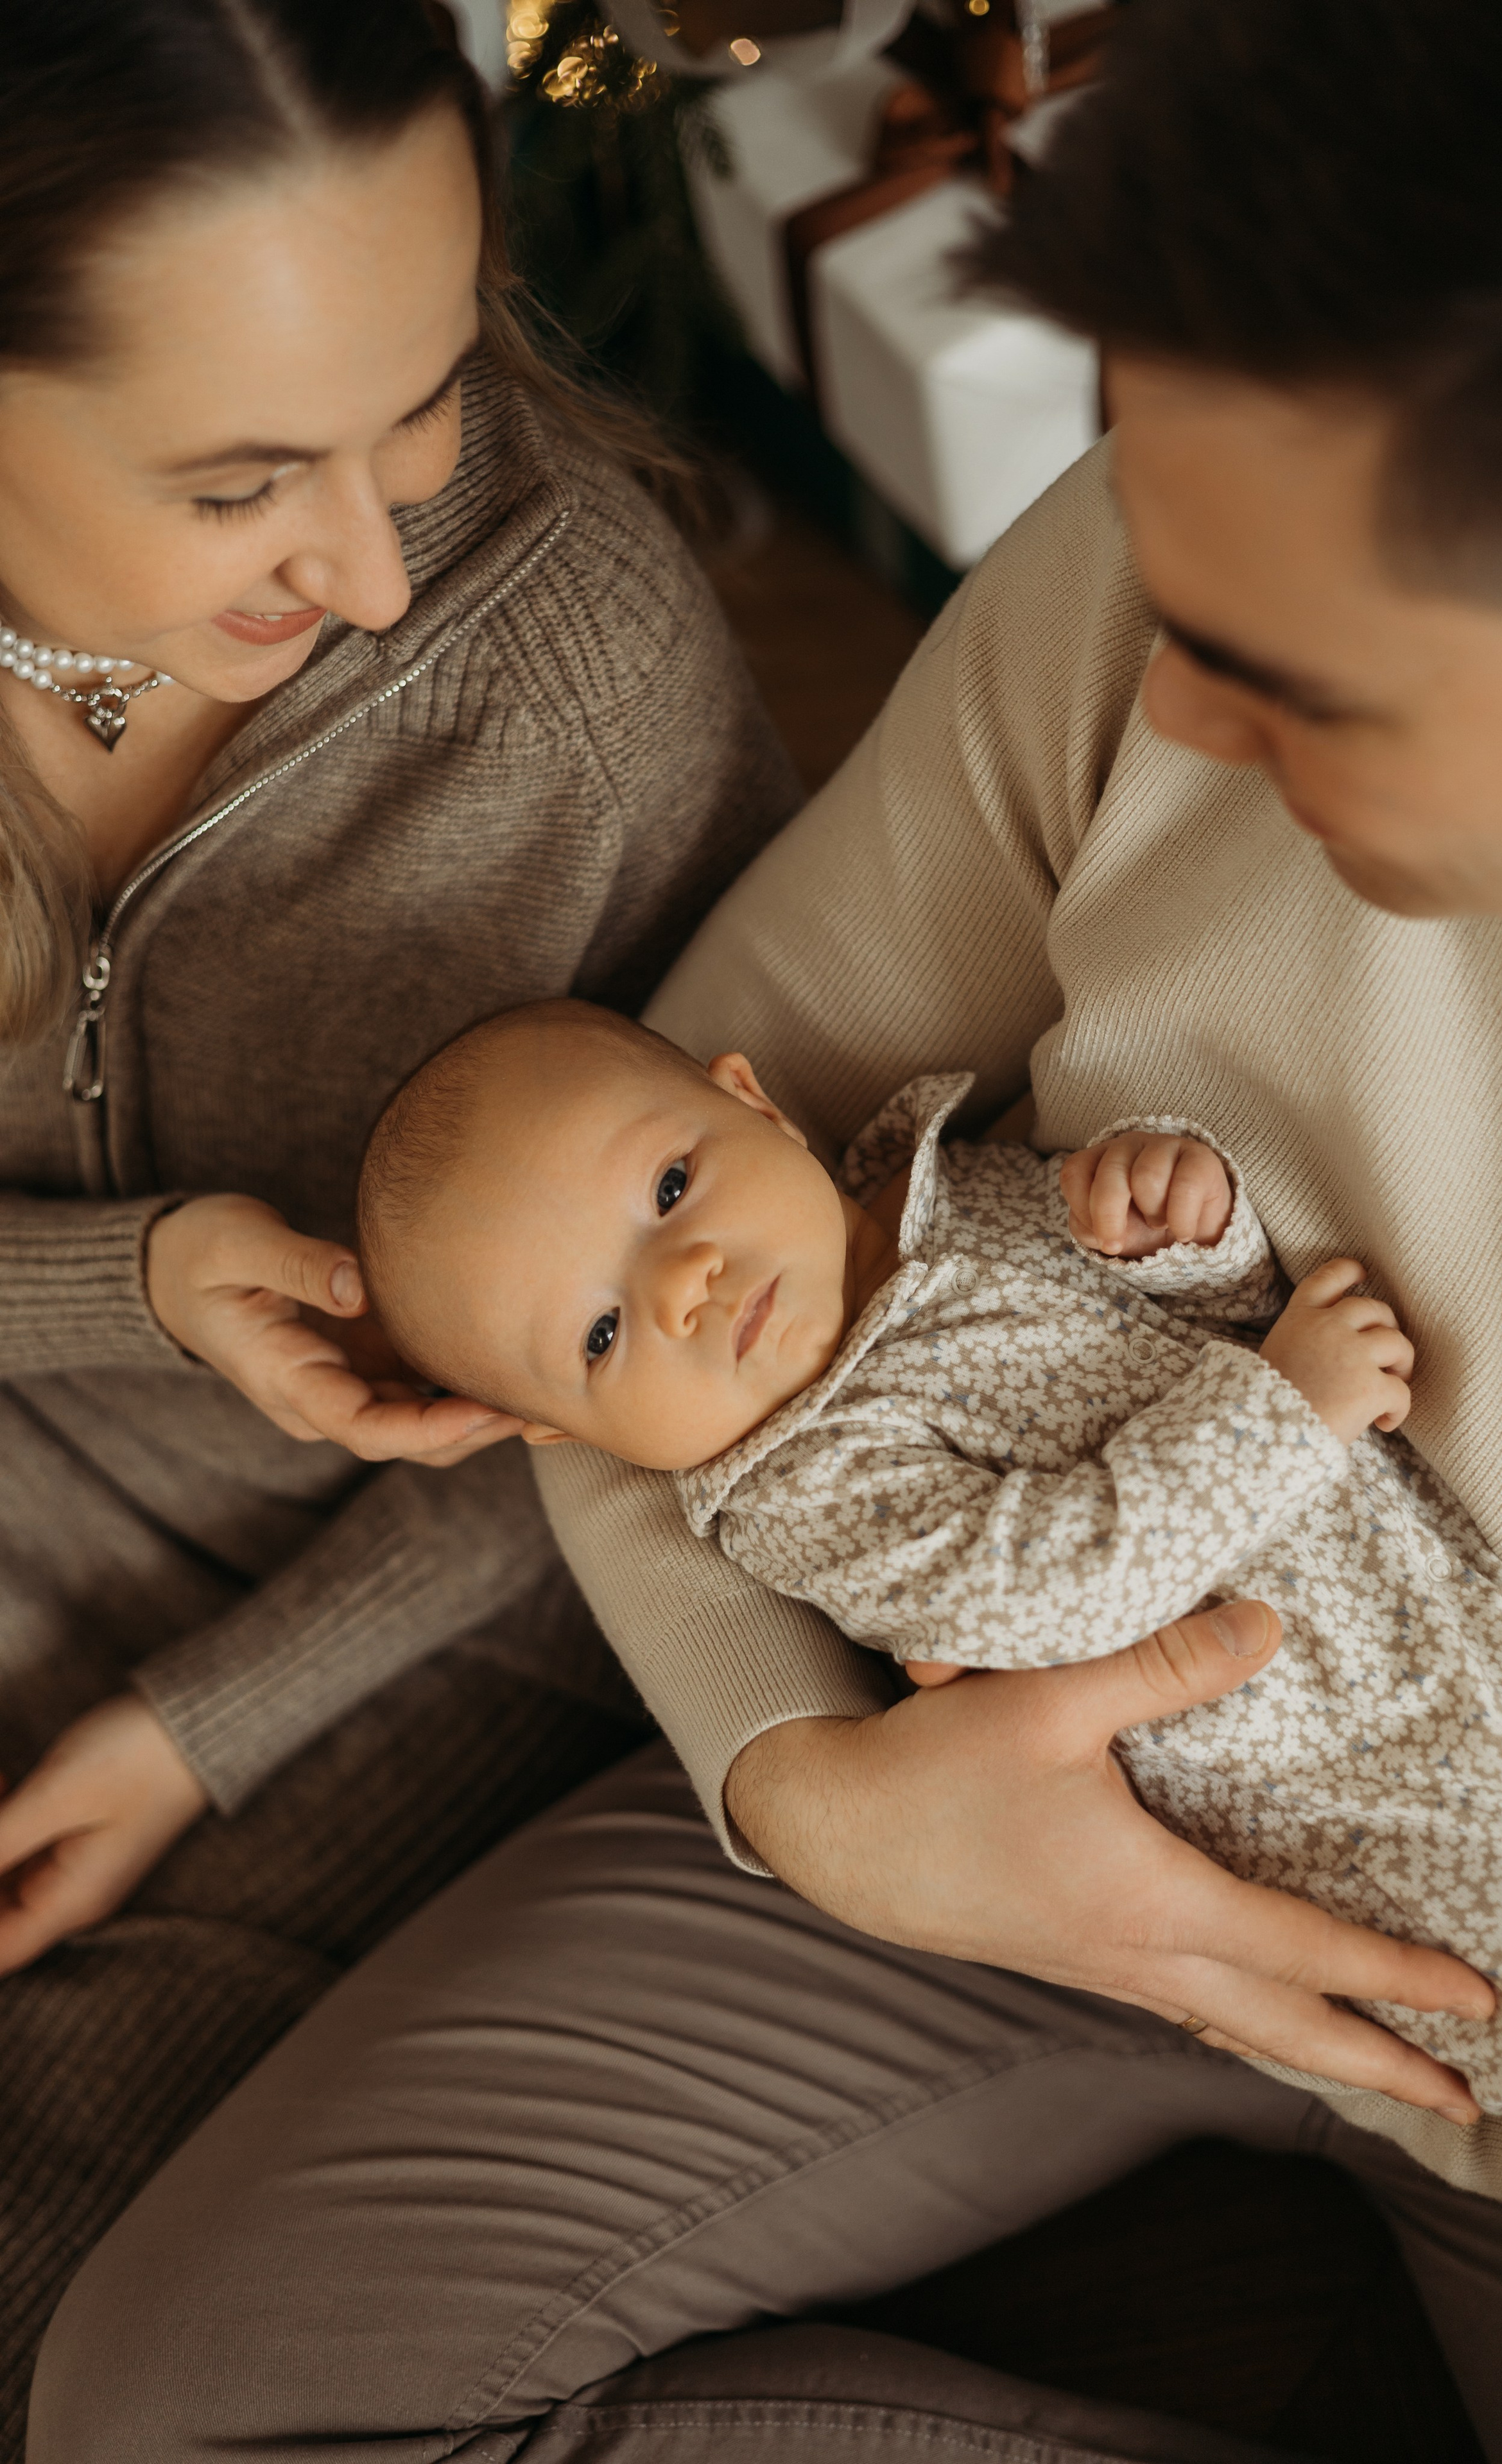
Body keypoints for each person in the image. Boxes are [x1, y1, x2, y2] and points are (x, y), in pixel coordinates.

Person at [28, 0, 1502, 2459]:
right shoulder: (1182, 549)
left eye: (1289, 676)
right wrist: (810, 1781)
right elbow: (613, 1293)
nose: (1160, 716)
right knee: (183, 2406)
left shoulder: (555, 679)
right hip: (963, 1763)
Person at [0, 0, 805, 2448]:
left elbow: (711, 1397)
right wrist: (120, 1281)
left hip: (444, 1611)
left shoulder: (579, 685)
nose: (364, 567)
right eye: (242, 480)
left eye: (431, 396)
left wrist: (200, 1732)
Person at [354, 995, 1502, 2357]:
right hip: (1355, 1786)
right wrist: (1283, 1405)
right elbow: (1056, 1588)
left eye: (671, 1187)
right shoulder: (806, 1482)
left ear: (755, 1103)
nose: (683, 1282)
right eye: (604, 1335)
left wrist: (1185, 1238)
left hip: (1481, 1632)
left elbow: (1215, 1319)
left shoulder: (956, 1185)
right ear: (574, 1433)